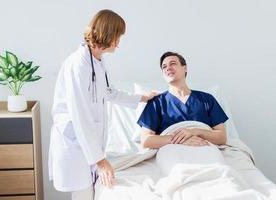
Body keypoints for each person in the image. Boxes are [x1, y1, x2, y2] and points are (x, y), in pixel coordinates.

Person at [48, 9, 157, 200]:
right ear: (109, 33)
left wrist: (141, 98)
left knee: (89, 192)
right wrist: (100, 160)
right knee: (82, 194)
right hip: (75, 142)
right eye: (118, 36)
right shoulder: (78, 64)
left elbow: (108, 92)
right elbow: (80, 115)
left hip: (88, 145)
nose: (119, 42)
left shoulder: (97, 61)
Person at [137, 51, 229, 149]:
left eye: (173, 63)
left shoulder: (206, 99)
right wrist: (180, 140)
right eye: (164, 66)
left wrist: (194, 131)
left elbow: (221, 137)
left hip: (204, 148)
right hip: (172, 151)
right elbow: (146, 141)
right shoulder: (156, 102)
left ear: (185, 68)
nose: (168, 68)